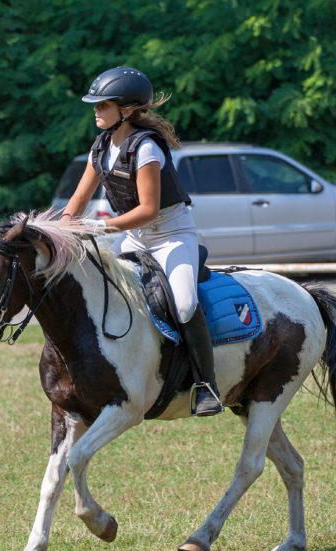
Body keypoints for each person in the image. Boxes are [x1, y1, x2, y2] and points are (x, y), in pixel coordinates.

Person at [60, 66, 222, 416]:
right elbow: (78, 199)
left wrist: (101, 227)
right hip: (133, 238)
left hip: (171, 237)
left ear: (127, 110)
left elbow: (148, 210)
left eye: (103, 105)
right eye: (96, 105)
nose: (96, 111)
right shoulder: (101, 146)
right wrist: (61, 227)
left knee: (184, 304)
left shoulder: (146, 148)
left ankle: (206, 384)